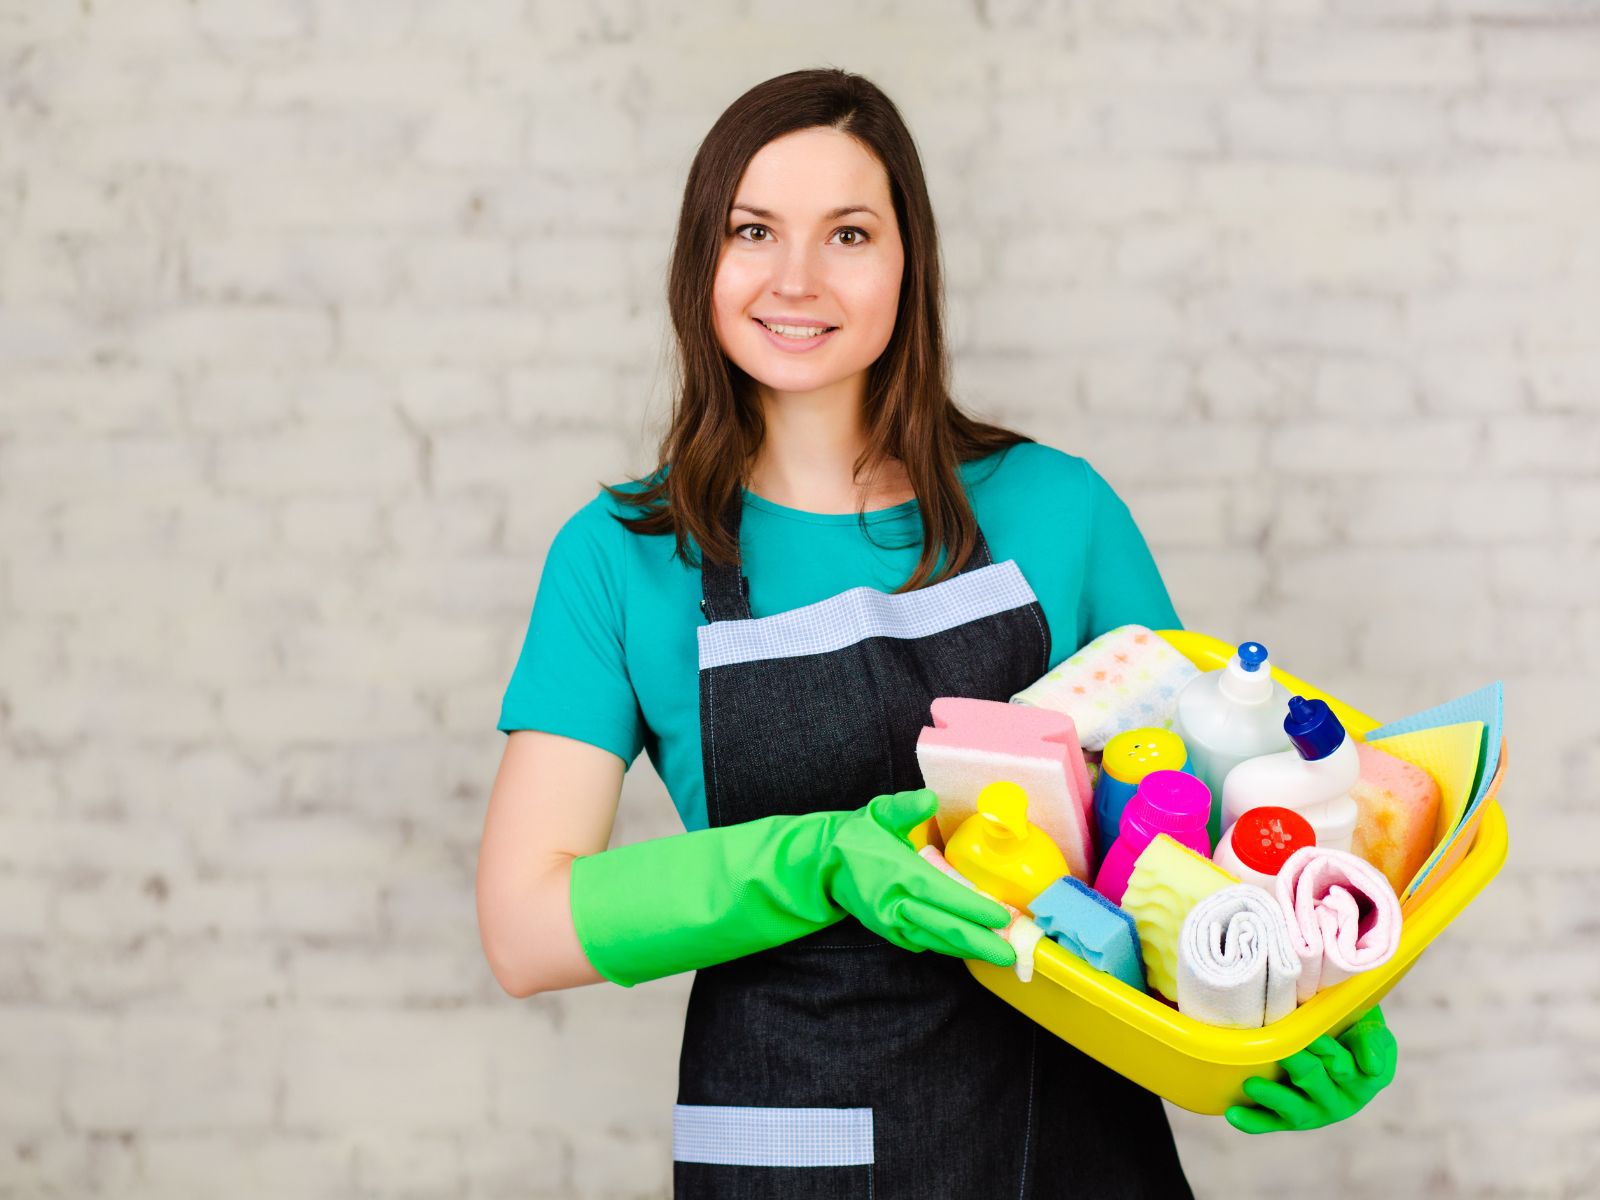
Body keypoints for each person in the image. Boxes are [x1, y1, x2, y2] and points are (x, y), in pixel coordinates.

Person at [476, 67, 1397, 1199]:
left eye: (849, 234)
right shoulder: (624, 556)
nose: (797, 279)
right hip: (795, 1150)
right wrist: (818, 862)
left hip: (1068, 1142)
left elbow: (1183, 838)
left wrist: (1272, 1018)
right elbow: (525, 927)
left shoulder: (1058, 511)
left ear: (907, 262)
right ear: (698, 263)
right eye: (753, 230)